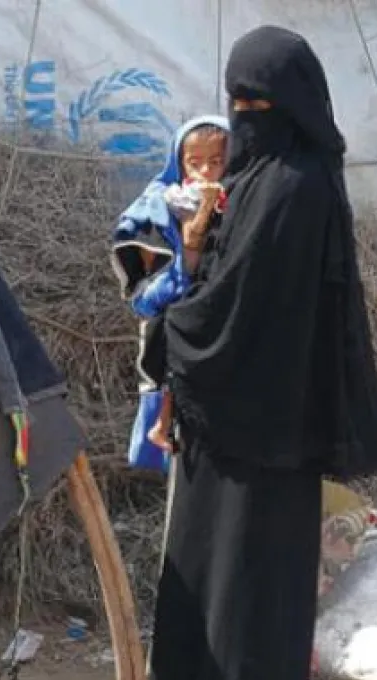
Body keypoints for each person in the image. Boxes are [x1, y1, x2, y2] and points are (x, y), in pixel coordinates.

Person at [149, 26, 377, 680]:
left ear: (291, 104)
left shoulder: (293, 187)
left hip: (262, 417)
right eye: (236, 102)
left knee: (251, 573)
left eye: (257, 103)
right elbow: (221, 273)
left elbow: (238, 300)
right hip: (238, 413)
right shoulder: (266, 176)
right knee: (217, 558)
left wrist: (172, 329)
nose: (244, 116)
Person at [111, 116, 230, 471]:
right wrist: (190, 246)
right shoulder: (157, 210)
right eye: (194, 163)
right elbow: (145, 299)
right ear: (178, 164)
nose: (205, 172)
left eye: (217, 161)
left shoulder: (245, 208)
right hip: (178, 345)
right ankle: (161, 426)